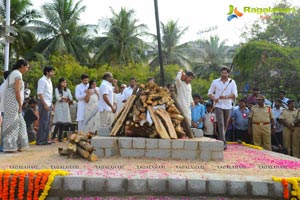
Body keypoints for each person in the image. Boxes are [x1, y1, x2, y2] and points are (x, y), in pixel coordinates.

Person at [1, 59, 30, 152]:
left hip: (12, 100)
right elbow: (17, 90)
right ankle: (10, 146)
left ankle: (18, 144)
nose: (27, 69)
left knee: (20, 122)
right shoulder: (17, 74)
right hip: (12, 101)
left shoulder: (15, 73)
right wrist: (20, 103)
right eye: (26, 67)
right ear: (22, 66)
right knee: (12, 123)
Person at [208, 66, 238, 150]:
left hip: (228, 105)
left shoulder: (232, 82)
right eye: (222, 73)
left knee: (225, 125)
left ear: (228, 74)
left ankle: (221, 140)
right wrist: (214, 98)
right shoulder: (215, 82)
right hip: (218, 105)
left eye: (225, 73)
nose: (223, 74)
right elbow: (210, 93)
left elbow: (235, 94)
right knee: (220, 123)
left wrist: (226, 97)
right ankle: (224, 143)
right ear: (220, 73)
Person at [36, 66, 55, 145]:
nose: (53, 73)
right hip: (44, 103)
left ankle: (45, 139)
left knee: (47, 123)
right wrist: (45, 104)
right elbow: (40, 93)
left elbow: (49, 94)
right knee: (43, 122)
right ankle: (40, 140)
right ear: (47, 72)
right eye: (52, 72)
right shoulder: (42, 80)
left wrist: (52, 104)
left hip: (49, 103)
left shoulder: (49, 81)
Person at [52, 78, 73, 142]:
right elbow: (58, 98)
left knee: (62, 123)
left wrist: (64, 99)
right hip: (59, 107)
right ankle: (53, 137)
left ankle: (60, 138)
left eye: (65, 82)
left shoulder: (68, 90)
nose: (65, 84)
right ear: (60, 83)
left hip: (65, 107)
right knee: (58, 122)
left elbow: (71, 98)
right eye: (63, 82)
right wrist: (65, 99)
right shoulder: (57, 89)